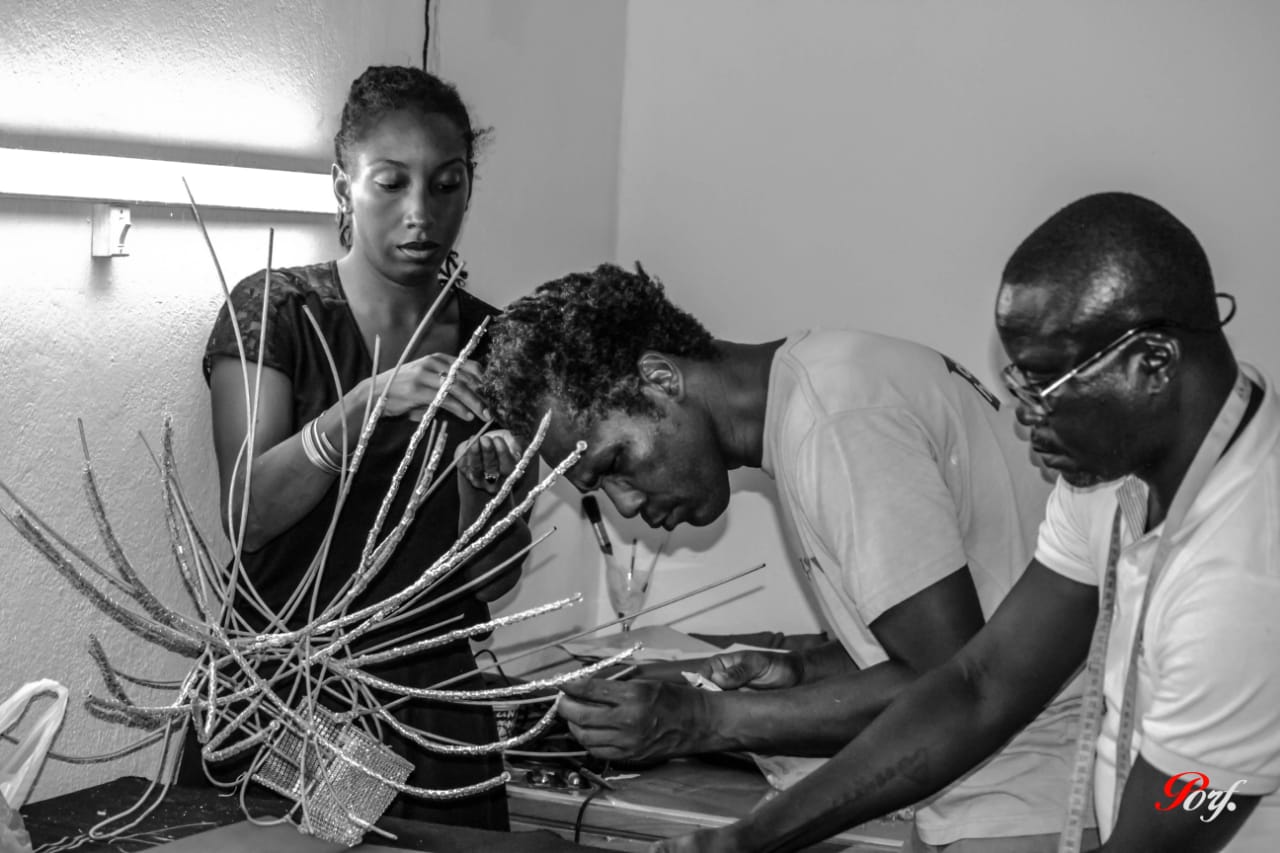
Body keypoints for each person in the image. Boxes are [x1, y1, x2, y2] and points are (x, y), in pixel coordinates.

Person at [652, 192, 1280, 853]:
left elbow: (1187, 813)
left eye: (1045, 386)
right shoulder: (1113, 481)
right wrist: (743, 841)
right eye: (1017, 382)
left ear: (1151, 362)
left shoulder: (1245, 570)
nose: (1024, 416)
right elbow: (981, 685)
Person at [480, 264, 1093, 849]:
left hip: (1032, 792)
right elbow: (954, 637)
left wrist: (703, 719)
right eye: (599, 488)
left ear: (662, 379)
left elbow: (947, 680)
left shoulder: (836, 421)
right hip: (996, 786)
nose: (626, 503)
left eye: (617, 463)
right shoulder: (824, 382)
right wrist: (803, 673)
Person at [193, 65, 531, 830]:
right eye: (390, 183)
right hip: (294, 695)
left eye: (446, 185)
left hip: (435, 709)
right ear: (343, 185)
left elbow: (498, 572)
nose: (421, 213)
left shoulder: (502, 344)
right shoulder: (276, 308)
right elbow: (246, 517)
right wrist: (361, 408)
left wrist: (485, 487)